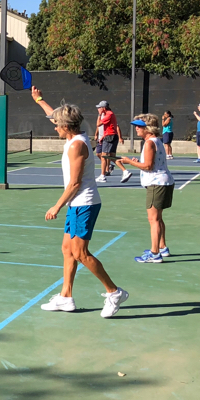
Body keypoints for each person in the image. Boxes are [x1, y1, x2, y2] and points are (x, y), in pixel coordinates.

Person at [30, 87, 129, 317]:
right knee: (67, 250)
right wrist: (39, 100)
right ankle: (66, 297)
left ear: (66, 127)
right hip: (77, 204)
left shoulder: (76, 145)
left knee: (81, 253)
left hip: (84, 203)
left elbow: (74, 184)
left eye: (57, 125)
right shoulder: (76, 134)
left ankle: (114, 292)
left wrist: (56, 206)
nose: (54, 126)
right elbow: (54, 114)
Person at [116, 114, 174, 263]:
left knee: (153, 219)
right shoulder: (156, 141)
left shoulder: (149, 143)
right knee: (158, 219)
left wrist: (129, 161)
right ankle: (162, 247)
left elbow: (148, 166)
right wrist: (137, 161)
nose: (136, 129)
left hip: (156, 184)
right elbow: (151, 162)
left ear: (148, 128)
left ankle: (155, 254)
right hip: (163, 181)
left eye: (139, 126)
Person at [94, 100, 120, 182]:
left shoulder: (109, 114)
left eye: (100, 107)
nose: (99, 109)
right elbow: (109, 127)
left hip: (110, 137)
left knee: (105, 156)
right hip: (108, 136)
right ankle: (125, 171)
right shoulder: (108, 114)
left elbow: (98, 124)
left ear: (104, 108)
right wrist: (102, 136)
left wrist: (99, 114)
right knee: (109, 156)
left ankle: (103, 175)